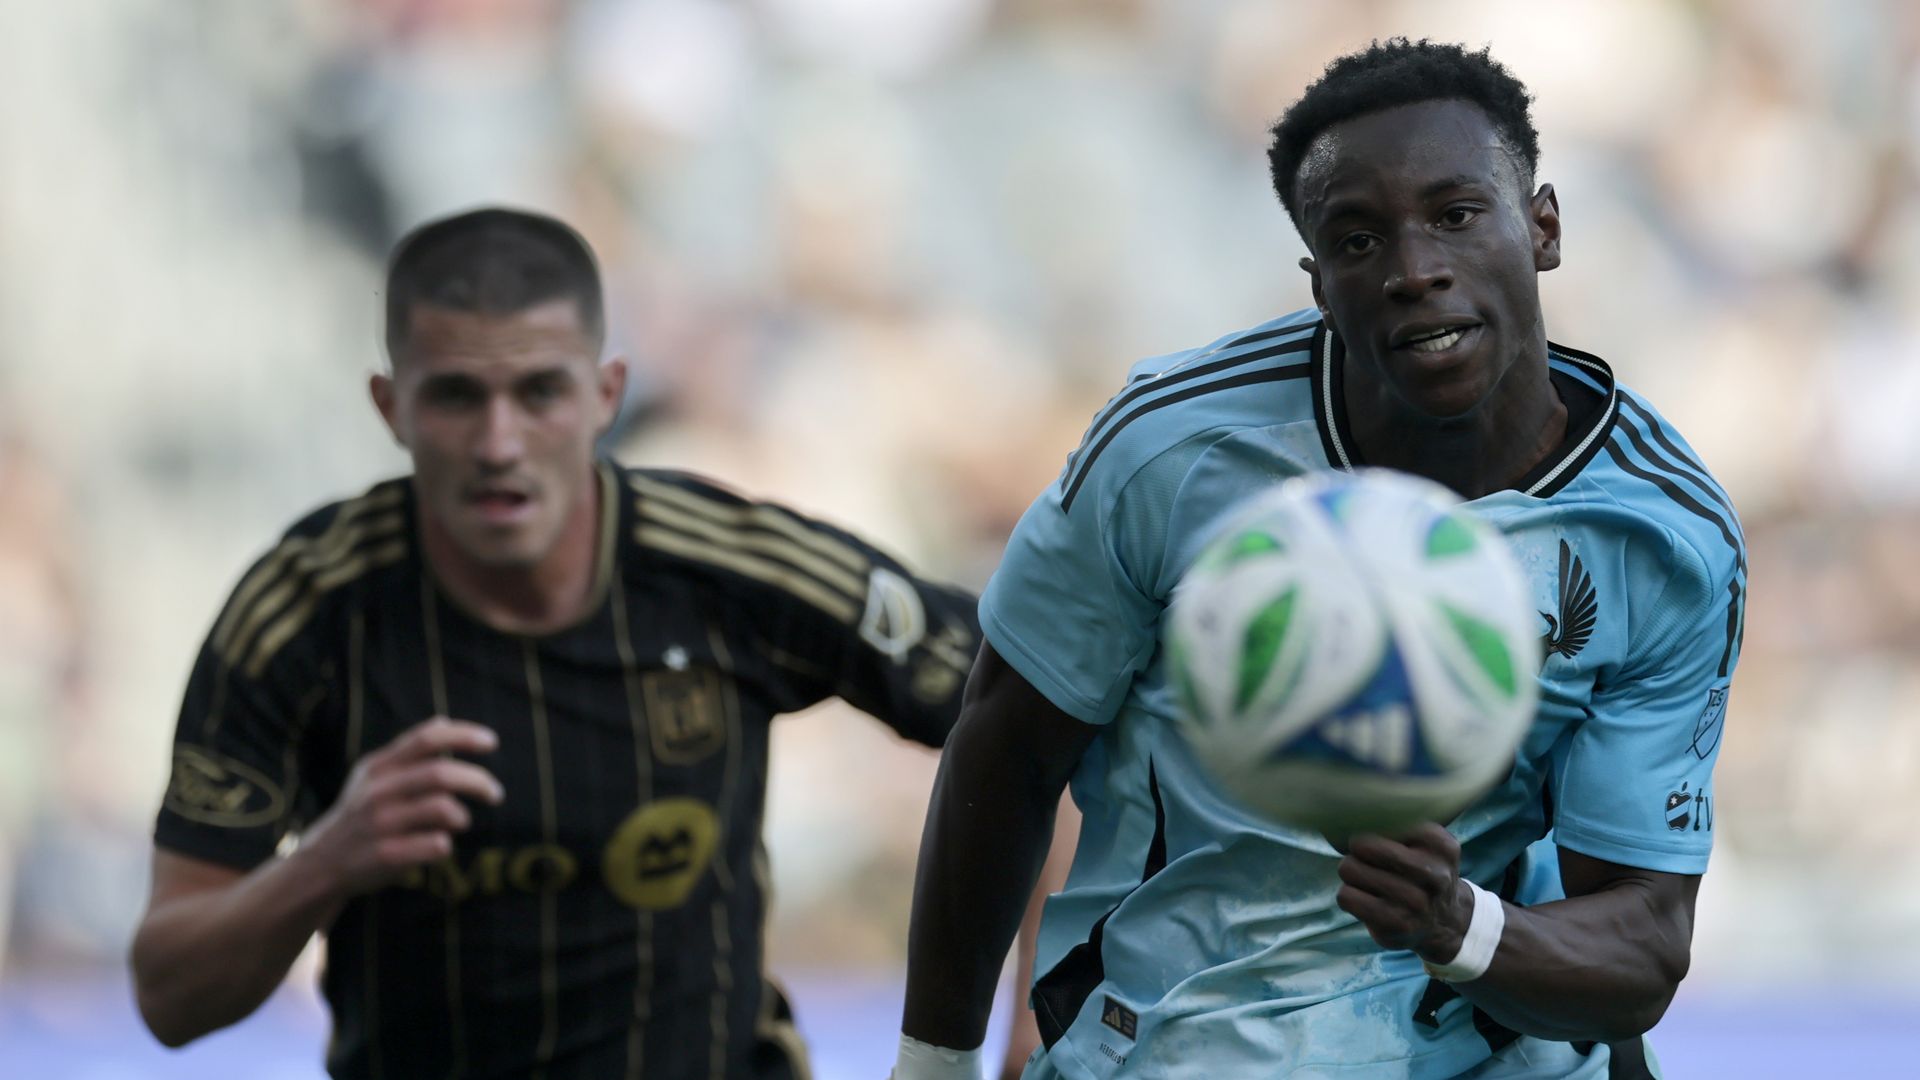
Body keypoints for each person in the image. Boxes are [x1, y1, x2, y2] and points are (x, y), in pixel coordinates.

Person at [896, 39, 1745, 1079]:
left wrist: (1459, 926)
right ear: (1317, 281)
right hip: (1177, 1042)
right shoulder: (1167, 450)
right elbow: (1005, 746)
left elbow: (1644, 938)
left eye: (1457, 214)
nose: (1413, 270)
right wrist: (931, 1062)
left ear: (1545, 227)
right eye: (1357, 239)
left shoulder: (1660, 533)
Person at [130, 207, 986, 1079]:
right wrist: (327, 862)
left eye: (539, 392)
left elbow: (1033, 708)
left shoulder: (730, 570)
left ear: (605, 395)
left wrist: (1006, 1028)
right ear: (391, 407)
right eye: (457, 396)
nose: (499, 444)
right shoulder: (304, 612)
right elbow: (168, 996)